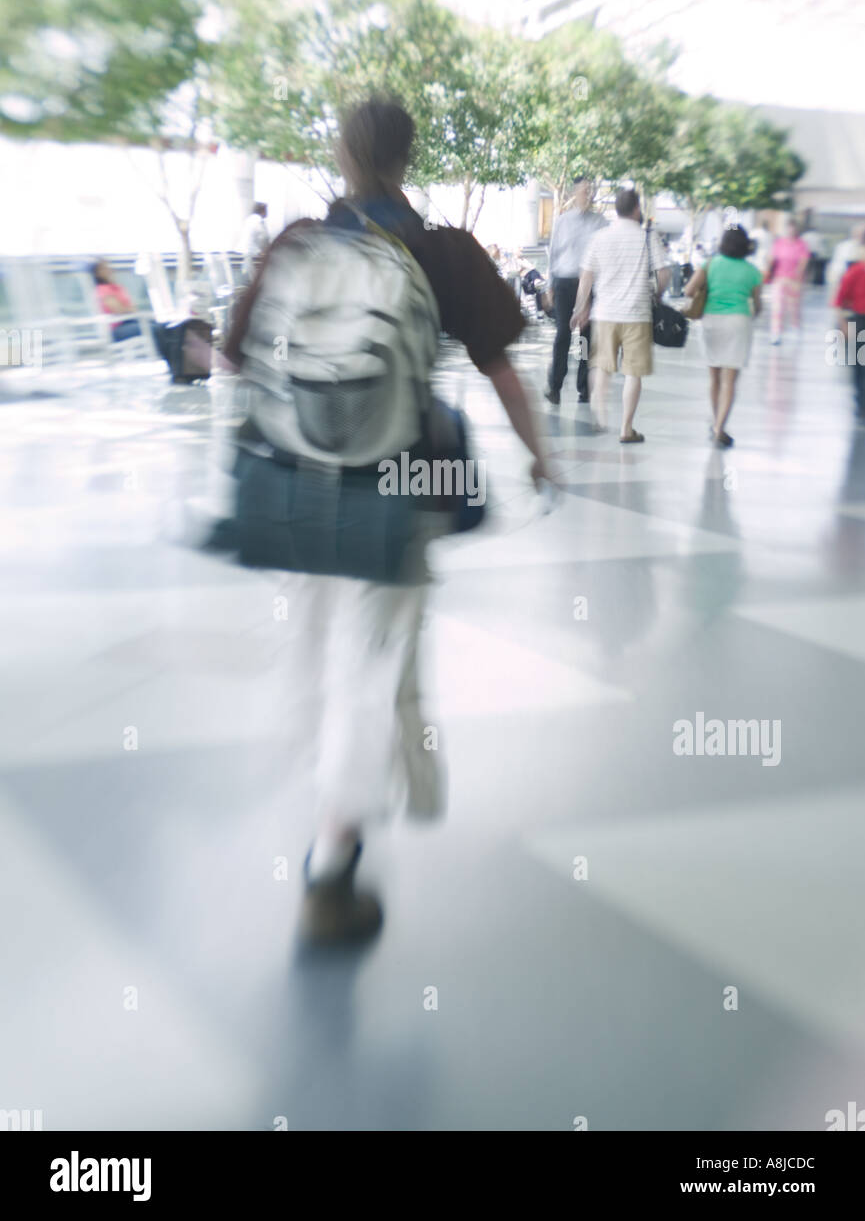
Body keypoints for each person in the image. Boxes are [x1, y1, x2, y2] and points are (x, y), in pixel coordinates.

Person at [224, 99, 552, 946]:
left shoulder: (298, 243)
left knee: (316, 652)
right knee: (371, 669)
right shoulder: (443, 251)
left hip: (296, 486)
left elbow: (234, 353)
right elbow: (500, 369)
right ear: (409, 157)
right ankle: (331, 871)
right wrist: (539, 456)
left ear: (339, 153)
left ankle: (321, 795)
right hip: (399, 491)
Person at [571, 187, 670, 444]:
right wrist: (658, 294)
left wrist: (581, 307)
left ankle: (599, 414)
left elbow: (586, 277)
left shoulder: (599, 237)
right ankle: (626, 429)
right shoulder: (648, 237)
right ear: (637, 209)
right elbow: (664, 274)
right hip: (638, 314)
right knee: (633, 373)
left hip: (604, 313)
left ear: (617, 210)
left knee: (601, 366)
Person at [683, 224, 763, 448]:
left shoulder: (711, 264)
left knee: (715, 377)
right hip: (738, 322)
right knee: (730, 380)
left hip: (711, 321)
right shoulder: (752, 271)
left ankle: (715, 420)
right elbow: (758, 305)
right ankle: (720, 427)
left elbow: (689, 290)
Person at [544, 177, 607, 405]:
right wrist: (549, 286)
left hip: (589, 285)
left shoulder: (600, 222)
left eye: (590, 190)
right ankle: (555, 386)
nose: (587, 194)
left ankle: (584, 387)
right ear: (574, 192)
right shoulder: (562, 221)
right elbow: (554, 253)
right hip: (564, 282)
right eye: (583, 189)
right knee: (563, 333)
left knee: (585, 337)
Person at [831, 243, 865, 422]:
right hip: (859, 321)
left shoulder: (854, 271)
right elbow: (839, 301)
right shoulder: (855, 272)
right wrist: (843, 325)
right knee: (860, 365)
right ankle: (861, 403)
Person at [768, 217, 810, 344]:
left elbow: (803, 262)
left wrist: (798, 278)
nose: (791, 231)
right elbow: (772, 259)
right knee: (778, 307)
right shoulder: (779, 243)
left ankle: (796, 327)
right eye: (789, 228)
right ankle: (776, 333)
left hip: (794, 280)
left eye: (793, 229)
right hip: (779, 279)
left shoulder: (801, 244)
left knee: (793, 307)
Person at [90, 260, 142, 342]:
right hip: (118, 328)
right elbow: (119, 310)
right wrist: (128, 309)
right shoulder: (101, 289)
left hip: (131, 322)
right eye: (104, 269)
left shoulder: (117, 287)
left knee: (161, 327)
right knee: (154, 329)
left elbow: (133, 308)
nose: (108, 270)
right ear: (97, 273)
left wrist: (128, 309)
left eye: (108, 267)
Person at [826, 223, 865, 300]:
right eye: (859, 233)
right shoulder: (845, 246)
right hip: (841, 276)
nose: (860, 236)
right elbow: (837, 264)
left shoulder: (860, 247)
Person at [241, 202, 270, 283]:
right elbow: (263, 237)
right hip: (252, 255)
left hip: (247, 254)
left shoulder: (250, 220)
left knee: (251, 280)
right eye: (266, 210)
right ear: (262, 211)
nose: (267, 212)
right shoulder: (258, 221)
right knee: (255, 281)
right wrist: (263, 251)